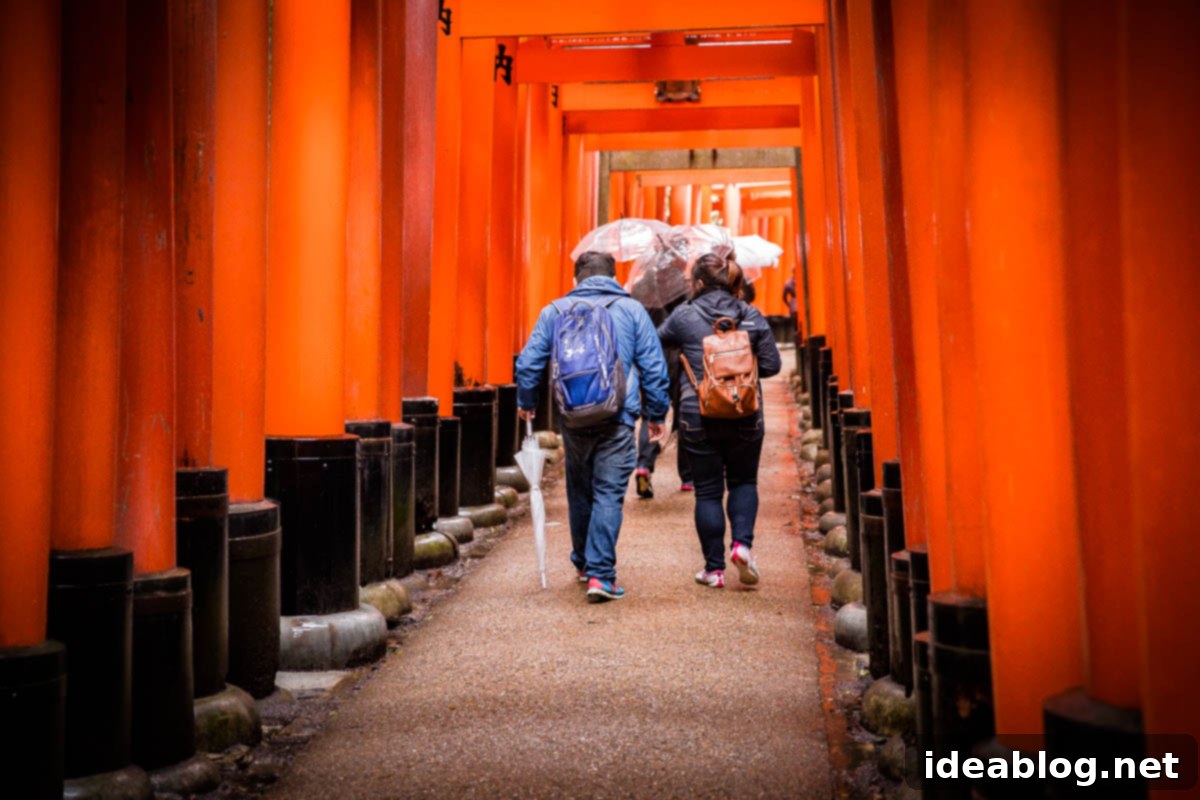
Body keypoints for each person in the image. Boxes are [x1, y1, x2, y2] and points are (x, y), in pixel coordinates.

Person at [516, 251, 670, 603]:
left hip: (572, 417)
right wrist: (657, 415)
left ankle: (584, 563)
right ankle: (601, 574)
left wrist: (527, 402)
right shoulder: (632, 311)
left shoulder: (554, 311)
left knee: (580, 488)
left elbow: (529, 362)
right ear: (616, 278)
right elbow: (653, 366)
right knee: (609, 492)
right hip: (617, 416)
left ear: (577, 280)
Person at [658, 251, 782, 589]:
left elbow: (657, 343)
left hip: (697, 413)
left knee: (709, 492)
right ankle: (742, 546)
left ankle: (713, 570)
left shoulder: (683, 316)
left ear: (698, 283)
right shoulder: (751, 316)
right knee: (743, 482)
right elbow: (771, 366)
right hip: (745, 412)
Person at [633, 297, 694, 499]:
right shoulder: (683, 294)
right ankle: (687, 476)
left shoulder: (643, 291)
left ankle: (643, 465)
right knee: (683, 414)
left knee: (650, 414)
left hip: (651, 358)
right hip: (679, 360)